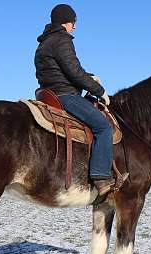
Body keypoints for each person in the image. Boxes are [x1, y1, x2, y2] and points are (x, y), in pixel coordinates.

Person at [34, 3, 114, 195]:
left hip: (49, 93)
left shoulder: (44, 43)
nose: (74, 26)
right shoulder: (62, 39)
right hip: (64, 95)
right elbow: (74, 72)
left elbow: (67, 71)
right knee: (104, 127)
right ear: (65, 21)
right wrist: (99, 90)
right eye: (73, 22)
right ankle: (101, 177)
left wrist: (90, 76)